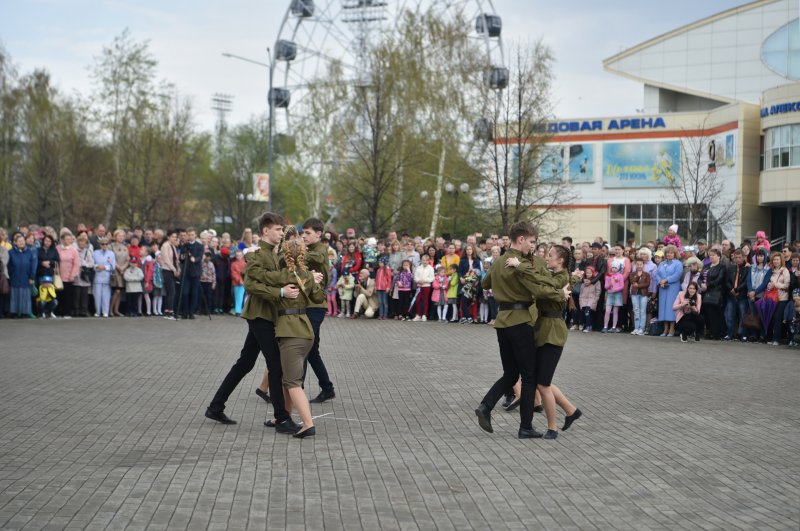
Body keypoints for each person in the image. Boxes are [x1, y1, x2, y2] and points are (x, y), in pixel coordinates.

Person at [205, 212, 301, 433]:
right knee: (275, 366)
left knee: (245, 363)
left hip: (268, 315)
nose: (281, 233)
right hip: (260, 315)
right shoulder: (257, 255)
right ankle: (282, 418)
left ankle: (215, 406)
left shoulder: (277, 254)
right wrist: (280, 291)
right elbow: (251, 286)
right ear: (265, 230)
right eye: (278, 229)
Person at [474, 221, 563, 439]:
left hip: (502, 322)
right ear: (521, 239)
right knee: (529, 375)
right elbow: (538, 289)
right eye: (531, 242)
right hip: (521, 321)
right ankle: (526, 427)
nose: (532, 247)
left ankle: (486, 406)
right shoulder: (520, 263)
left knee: (511, 372)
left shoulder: (499, 261)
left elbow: (485, 284)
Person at [525, 245, 582, 439]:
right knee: (543, 381)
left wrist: (520, 267)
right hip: (544, 329)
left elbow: (544, 287)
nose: (547, 258)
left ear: (561, 261)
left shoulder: (559, 277)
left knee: (543, 384)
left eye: (550, 255)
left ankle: (553, 427)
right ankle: (571, 410)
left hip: (553, 331)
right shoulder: (561, 276)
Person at [272, 237, 326, 438]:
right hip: (305, 330)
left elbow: (265, 282)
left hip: (290, 332)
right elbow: (319, 298)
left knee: (293, 383)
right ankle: (285, 417)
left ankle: (308, 424)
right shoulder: (307, 276)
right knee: (290, 380)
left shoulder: (282, 275)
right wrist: (314, 280)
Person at [298, 218, 337, 404]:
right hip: (309, 304)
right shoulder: (310, 249)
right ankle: (327, 388)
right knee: (312, 350)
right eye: (302, 233)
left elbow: (320, 258)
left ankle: (297, 391)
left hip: (315, 307)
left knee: (304, 347)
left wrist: (298, 251)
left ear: (318, 234)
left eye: (307, 233)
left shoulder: (320, 249)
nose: (303, 236)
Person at [655, 245, 683, 337]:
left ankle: (672, 328)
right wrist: (660, 281)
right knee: (663, 308)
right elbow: (657, 274)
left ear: (674, 254)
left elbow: (677, 275)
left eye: (671, 253)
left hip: (673, 287)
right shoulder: (662, 263)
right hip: (663, 288)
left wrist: (666, 280)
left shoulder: (678, 263)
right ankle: (665, 328)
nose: (669, 254)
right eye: (668, 253)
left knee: (671, 307)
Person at [7, 233, 37, 318]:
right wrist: (10, 275)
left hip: (26, 277)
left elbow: (33, 265)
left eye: (23, 241)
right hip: (14, 277)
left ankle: (25, 312)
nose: (21, 243)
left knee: (25, 295)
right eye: (19, 241)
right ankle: (15, 312)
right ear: (15, 242)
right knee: (15, 295)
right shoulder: (11, 252)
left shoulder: (29, 252)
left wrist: (32, 276)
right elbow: (8, 265)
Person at [744, 249, 771, 341]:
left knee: (761, 315)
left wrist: (755, 292)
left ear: (765, 257)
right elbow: (748, 280)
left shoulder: (768, 269)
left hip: (761, 295)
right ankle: (753, 335)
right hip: (751, 294)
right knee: (753, 315)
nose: (759, 257)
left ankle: (762, 335)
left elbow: (765, 283)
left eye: (761, 256)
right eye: (758, 256)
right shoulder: (752, 267)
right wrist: (751, 291)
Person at [700, 249, 727, 339]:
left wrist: (707, 285)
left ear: (719, 256)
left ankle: (716, 333)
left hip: (716, 293)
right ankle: (709, 331)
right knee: (707, 313)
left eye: (713, 255)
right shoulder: (706, 266)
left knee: (715, 314)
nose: (711, 257)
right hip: (705, 293)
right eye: (710, 255)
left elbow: (719, 279)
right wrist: (702, 284)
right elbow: (700, 278)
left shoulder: (722, 267)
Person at [179, 228, 204, 319]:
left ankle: (191, 312)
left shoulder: (199, 246)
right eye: (189, 235)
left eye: (192, 235)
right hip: (186, 272)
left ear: (195, 235)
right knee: (185, 293)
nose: (191, 236)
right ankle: (184, 312)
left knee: (194, 293)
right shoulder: (184, 245)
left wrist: (195, 259)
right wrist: (182, 257)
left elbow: (200, 257)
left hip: (195, 272)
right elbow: (181, 259)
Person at [767, 251, 790, 345]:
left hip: (782, 298)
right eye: (774, 260)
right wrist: (769, 286)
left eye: (777, 259)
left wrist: (775, 284)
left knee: (777, 317)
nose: (776, 261)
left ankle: (777, 339)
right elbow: (770, 284)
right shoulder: (772, 271)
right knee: (772, 317)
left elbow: (786, 285)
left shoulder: (785, 271)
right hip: (772, 298)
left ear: (781, 260)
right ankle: (772, 338)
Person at [56, 232, 80, 318]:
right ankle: (58, 312)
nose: (69, 241)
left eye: (70, 239)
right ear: (62, 240)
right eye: (67, 239)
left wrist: (72, 275)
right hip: (58, 276)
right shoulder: (57, 248)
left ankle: (67, 312)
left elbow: (76, 264)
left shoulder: (74, 250)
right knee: (58, 295)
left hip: (69, 276)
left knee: (68, 296)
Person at [92, 238, 115, 318]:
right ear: (100, 245)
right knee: (97, 295)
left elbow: (113, 266)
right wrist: (97, 266)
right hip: (98, 276)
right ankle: (98, 311)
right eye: (102, 244)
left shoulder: (111, 253)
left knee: (106, 295)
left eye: (106, 244)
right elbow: (92, 264)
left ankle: (105, 311)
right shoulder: (95, 253)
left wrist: (104, 267)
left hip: (107, 277)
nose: (104, 245)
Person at [73, 233, 95, 317]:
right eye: (80, 242)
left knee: (84, 294)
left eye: (84, 242)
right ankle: (76, 310)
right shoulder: (75, 251)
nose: (82, 244)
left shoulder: (88, 252)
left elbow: (91, 263)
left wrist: (85, 264)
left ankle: (84, 310)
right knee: (76, 294)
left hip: (85, 275)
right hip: (77, 275)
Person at [109, 229, 128, 317]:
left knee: (120, 291)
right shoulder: (111, 246)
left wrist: (124, 267)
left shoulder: (125, 247)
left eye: (122, 236)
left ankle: (116, 310)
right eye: (119, 236)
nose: (121, 237)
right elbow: (110, 258)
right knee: (116, 291)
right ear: (115, 236)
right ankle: (110, 310)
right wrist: (118, 266)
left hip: (123, 271)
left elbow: (128, 259)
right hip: (115, 270)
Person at [629, 258, 651, 335]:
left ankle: (642, 328)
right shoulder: (632, 274)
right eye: (637, 264)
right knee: (636, 310)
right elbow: (632, 282)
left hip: (643, 294)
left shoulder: (647, 274)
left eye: (640, 264)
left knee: (642, 311)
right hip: (634, 294)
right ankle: (636, 327)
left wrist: (638, 285)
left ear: (643, 265)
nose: (639, 266)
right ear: (635, 265)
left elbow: (647, 284)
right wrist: (638, 277)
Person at [603, 264, 624, 333]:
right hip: (610, 294)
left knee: (615, 311)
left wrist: (616, 289)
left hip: (617, 294)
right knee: (607, 311)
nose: (614, 269)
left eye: (615, 267)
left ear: (618, 269)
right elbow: (606, 286)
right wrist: (610, 285)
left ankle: (614, 327)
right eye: (613, 267)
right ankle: (605, 326)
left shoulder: (620, 276)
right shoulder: (608, 276)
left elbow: (622, 286)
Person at [413, 253, 434, 321]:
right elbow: (415, 277)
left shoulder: (430, 268)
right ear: (421, 260)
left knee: (425, 301)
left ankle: (424, 315)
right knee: (417, 300)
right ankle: (418, 314)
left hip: (426, 286)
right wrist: (418, 281)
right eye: (423, 260)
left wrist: (424, 281)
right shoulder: (418, 268)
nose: (424, 262)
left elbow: (432, 278)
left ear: (428, 261)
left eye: (426, 260)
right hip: (419, 286)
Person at [579, 266, 600, 332]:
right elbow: (581, 291)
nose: (588, 274)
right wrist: (580, 299)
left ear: (593, 273)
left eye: (590, 273)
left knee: (587, 312)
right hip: (583, 299)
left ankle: (588, 326)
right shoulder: (583, 281)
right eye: (587, 273)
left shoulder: (596, 281)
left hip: (591, 299)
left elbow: (598, 291)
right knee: (583, 312)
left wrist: (596, 299)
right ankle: (586, 325)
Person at [374, 256, 392, 320]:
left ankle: (385, 315)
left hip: (384, 288)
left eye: (381, 262)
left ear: (384, 263)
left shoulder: (387, 269)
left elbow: (389, 279)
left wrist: (388, 287)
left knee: (385, 302)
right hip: (379, 288)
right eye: (379, 262)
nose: (379, 263)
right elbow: (376, 279)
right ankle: (380, 314)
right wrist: (375, 286)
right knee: (380, 302)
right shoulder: (378, 270)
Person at [230, 249, 246, 316]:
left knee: (241, 297)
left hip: (243, 283)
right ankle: (238, 310)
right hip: (237, 283)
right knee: (238, 297)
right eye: (237, 256)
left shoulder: (245, 264)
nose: (238, 257)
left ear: (242, 256)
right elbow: (234, 273)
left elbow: (247, 273)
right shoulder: (233, 264)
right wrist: (239, 280)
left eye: (240, 255)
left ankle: (239, 310)